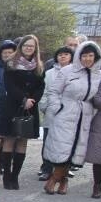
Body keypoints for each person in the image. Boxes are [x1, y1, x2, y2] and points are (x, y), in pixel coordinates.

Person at [42, 42, 101, 195]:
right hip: (66, 111)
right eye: (84, 55)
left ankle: (62, 180)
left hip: (86, 115)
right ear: (79, 56)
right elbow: (53, 91)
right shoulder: (68, 71)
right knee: (63, 148)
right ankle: (56, 179)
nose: (87, 59)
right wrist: (57, 108)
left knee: (75, 148)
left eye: (91, 56)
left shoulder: (98, 74)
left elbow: (96, 96)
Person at [0, 34, 45, 190]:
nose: (28, 48)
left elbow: (41, 86)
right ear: (21, 47)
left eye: (31, 46)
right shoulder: (11, 63)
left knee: (22, 141)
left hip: (30, 107)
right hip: (13, 105)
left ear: (35, 48)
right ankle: (6, 175)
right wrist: (23, 99)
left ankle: (15, 176)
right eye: (26, 46)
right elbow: (9, 85)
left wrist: (32, 100)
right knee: (10, 139)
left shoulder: (38, 65)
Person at [39, 47, 74, 181]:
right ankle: (46, 169)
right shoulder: (49, 73)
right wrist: (44, 107)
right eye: (60, 55)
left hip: (69, 113)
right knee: (48, 141)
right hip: (51, 112)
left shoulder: (76, 73)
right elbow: (45, 92)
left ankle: (64, 169)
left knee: (66, 142)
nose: (63, 57)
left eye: (66, 54)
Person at [0, 40, 17, 173]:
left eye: (10, 52)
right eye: (4, 52)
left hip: (11, 105)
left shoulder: (18, 67)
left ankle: (2, 162)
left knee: (7, 136)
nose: (7, 55)